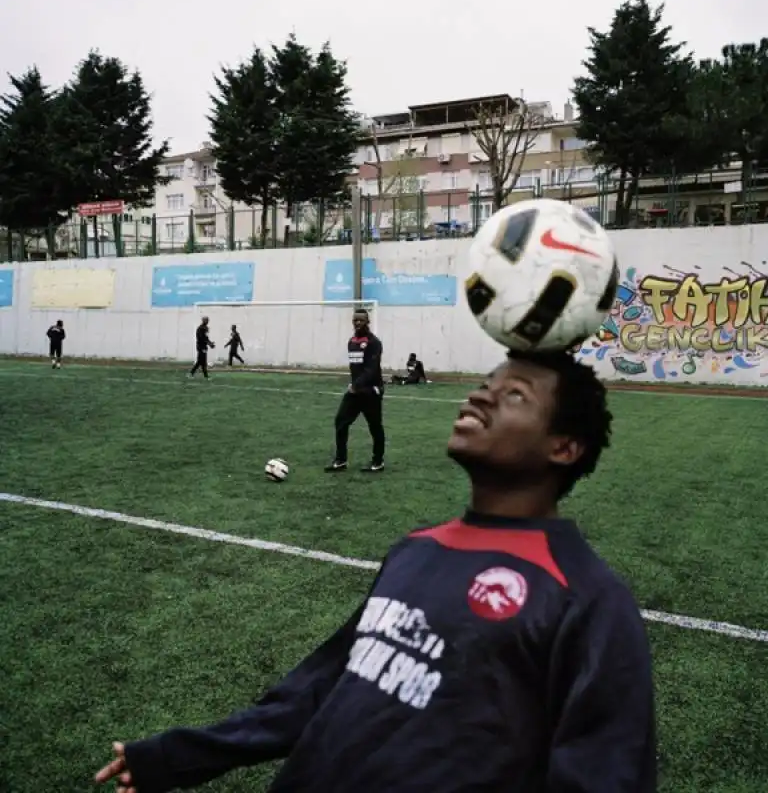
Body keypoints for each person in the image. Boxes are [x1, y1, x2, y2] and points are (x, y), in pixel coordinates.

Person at [94, 350, 656, 793]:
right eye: (487, 382)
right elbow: (316, 693)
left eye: (513, 395)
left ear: (563, 447)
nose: (480, 395)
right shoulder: (415, 549)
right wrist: (175, 757)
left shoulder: (587, 599)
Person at [324, 308, 385, 474]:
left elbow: (371, 369)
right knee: (341, 422)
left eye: (361, 320)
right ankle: (340, 460)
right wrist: (354, 385)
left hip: (371, 391)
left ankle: (378, 462)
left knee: (375, 426)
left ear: (367, 322)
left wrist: (356, 385)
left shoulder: (374, 343)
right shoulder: (351, 342)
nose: (358, 323)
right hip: (356, 391)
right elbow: (355, 368)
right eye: (355, 320)